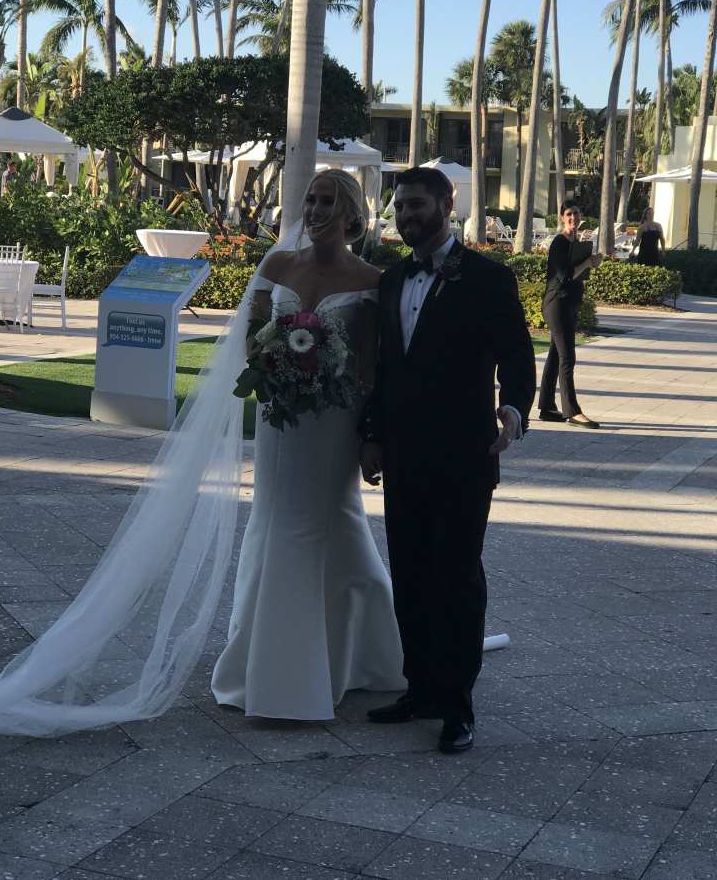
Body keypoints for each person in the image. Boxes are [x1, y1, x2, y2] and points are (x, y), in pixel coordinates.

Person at [211, 170, 406, 718]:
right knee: (275, 520)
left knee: (330, 519)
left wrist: (371, 434)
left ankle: (336, 657)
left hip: (335, 423)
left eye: (328, 203)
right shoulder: (277, 265)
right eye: (311, 200)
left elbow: (373, 365)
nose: (316, 211)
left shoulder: (372, 280)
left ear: (351, 215)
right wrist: (274, 362)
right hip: (279, 416)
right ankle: (295, 655)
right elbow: (250, 338)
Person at [360, 168, 536, 754]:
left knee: (457, 578)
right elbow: (384, 369)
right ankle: (419, 689)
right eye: (399, 207)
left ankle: (457, 706)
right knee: (410, 575)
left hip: (465, 454)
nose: (405, 216)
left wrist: (513, 410)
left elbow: (517, 354)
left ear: (446, 204)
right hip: (403, 454)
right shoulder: (391, 279)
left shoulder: (488, 277)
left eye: (416, 204)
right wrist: (372, 435)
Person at [538, 201, 603, 429]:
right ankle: (572, 411)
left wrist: (592, 263)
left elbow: (578, 274)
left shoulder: (576, 243)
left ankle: (547, 407)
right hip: (557, 304)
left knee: (556, 356)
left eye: (576, 213)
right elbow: (564, 276)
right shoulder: (559, 242)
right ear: (562, 218)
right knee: (567, 358)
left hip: (569, 304)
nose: (573, 217)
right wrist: (586, 263)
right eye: (568, 214)